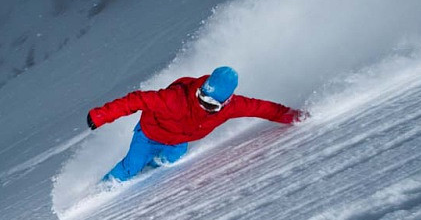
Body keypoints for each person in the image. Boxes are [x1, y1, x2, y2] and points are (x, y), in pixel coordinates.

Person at [86, 66, 307, 182]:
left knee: (168, 162)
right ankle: (105, 188)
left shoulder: (234, 106)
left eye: (211, 105)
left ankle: (147, 171)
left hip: (178, 143)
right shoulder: (174, 98)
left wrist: (295, 117)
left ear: (226, 102)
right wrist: (100, 116)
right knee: (131, 166)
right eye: (201, 98)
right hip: (149, 136)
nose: (203, 105)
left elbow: (264, 109)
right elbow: (135, 100)